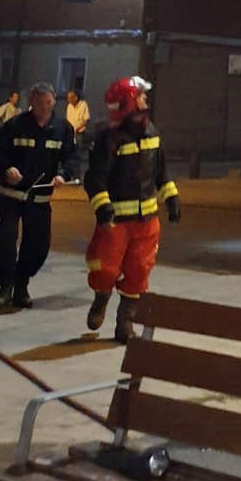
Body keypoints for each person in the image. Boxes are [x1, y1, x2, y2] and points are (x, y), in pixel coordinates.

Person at [84, 76, 180, 344]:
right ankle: (101, 297)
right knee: (105, 268)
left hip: (147, 221)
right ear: (127, 103)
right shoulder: (108, 138)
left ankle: (124, 322)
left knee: (139, 271)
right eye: (140, 96)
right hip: (115, 221)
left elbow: (161, 171)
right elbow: (95, 178)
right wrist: (102, 207)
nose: (145, 101)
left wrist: (171, 197)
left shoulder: (151, 132)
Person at [0, 81, 77, 313]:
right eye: (39, 103)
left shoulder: (63, 129)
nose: (44, 108)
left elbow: (71, 158)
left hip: (40, 200)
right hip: (11, 197)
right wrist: (6, 169)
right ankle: (4, 289)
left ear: (54, 101)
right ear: (31, 103)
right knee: (5, 242)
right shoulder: (14, 126)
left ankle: (21, 285)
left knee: (37, 246)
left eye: (48, 103)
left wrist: (63, 174)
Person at [65, 87, 92, 176]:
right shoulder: (69, 106)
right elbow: (68, 120)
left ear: (76, 97)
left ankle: (78, 176)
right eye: (68, 97)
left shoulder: (83, 105)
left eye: (70, 97)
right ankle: (70, 175)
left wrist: (76, 128)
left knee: (78, 155)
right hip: (70, 133)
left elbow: (86, 119)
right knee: (70, 154)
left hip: (79, 133)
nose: (68, 99)